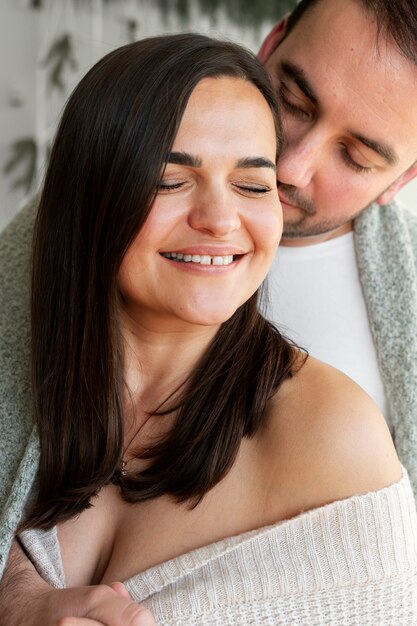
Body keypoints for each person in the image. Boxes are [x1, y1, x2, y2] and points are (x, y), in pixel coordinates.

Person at [0, 31, 416, 626]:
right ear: (89, 194)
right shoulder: (26, 344)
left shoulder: (335, 435)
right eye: (171, 180)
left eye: (253, 184)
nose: (220, 220)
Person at [257, 0, 417, 496]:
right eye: (293, 103)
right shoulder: (107, 195)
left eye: (355, 156)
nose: (291, 167)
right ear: (268, 47)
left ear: (404, 177)